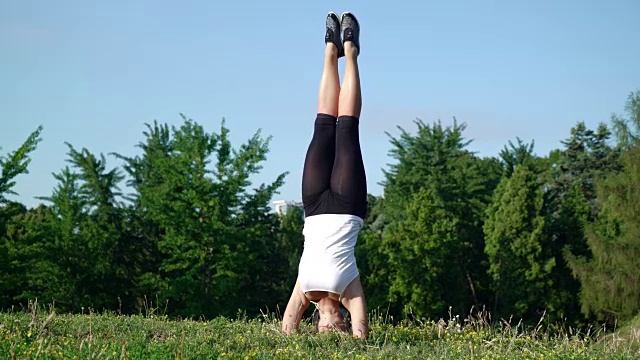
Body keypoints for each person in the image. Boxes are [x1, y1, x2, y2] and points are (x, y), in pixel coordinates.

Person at [281, 11, 368, 339]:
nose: (330, 328)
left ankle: (330, 51)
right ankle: (351, 53)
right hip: (347, 206)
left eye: (323, 330)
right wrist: (357, 342)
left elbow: (288, 325)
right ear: (343, 322)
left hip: (314, 207)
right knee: (346, 130)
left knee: (321, 127)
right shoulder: (349, 290)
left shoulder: (305, 290)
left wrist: (291, 342)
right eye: (337, 329)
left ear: (315, 324)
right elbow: (363, 330)